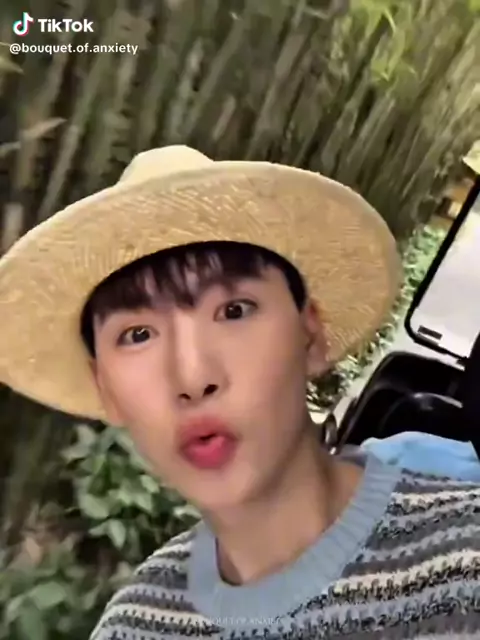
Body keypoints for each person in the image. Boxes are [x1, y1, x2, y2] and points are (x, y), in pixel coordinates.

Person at [1, 146, 479, 639]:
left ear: (310, 333)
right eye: (137, 335)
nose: (192, 378)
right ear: (107, 390)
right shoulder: (133, 627)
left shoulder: (463, 558)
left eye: (234, 311)